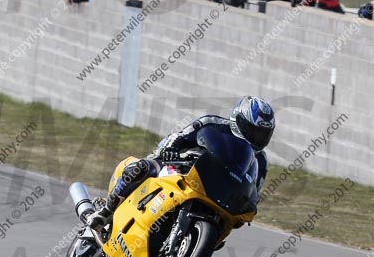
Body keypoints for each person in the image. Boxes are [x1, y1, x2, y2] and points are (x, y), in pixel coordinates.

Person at [85, 96, 275, 230]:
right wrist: (166, 151)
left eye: (263, 134)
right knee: (142, 167)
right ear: (238, 120)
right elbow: (178, 136)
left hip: (219, 194)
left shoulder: (262, 161)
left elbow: (254, 189)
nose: (257, 137)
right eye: (253, 130)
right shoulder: (213, 123)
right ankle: (106, 210)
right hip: (183, 166)